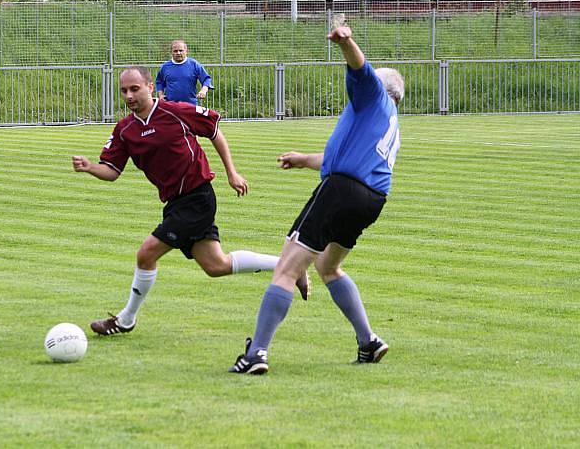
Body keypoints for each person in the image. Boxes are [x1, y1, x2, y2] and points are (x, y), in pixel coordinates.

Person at [72, 66, 310, 337]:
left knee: (146, 253)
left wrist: (232, 172)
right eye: (124, 90)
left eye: (135, 89)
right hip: (175, 203)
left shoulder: (176, 111)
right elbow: (112, 171)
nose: (129, 95)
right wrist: (91, 167)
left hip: (197, 198)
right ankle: (291, 267)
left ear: (151, 87)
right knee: (216, 266)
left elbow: (214, 131)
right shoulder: (125, 129)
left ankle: (126, 319)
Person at [229, 25, 404, 374]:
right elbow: (342, 158)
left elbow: (360, 68)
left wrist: (346, 41)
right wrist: (304, 160)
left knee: (286, 269)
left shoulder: (372, 95)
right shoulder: (386, 120)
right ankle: (368, 340)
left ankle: (257, 354)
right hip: (371, 199)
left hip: (341, 190)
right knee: (329, 266)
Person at [155, 39, 213, 105]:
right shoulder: (165, 67)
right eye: (175, 51)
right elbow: (159, 82)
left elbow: (206, 79)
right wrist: (161, 95)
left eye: (181, 50)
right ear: (171, 52)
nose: (178, 53)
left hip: (190, 105)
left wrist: (203, 90)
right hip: (170, 105)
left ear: (186, 51)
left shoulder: (194, 64)